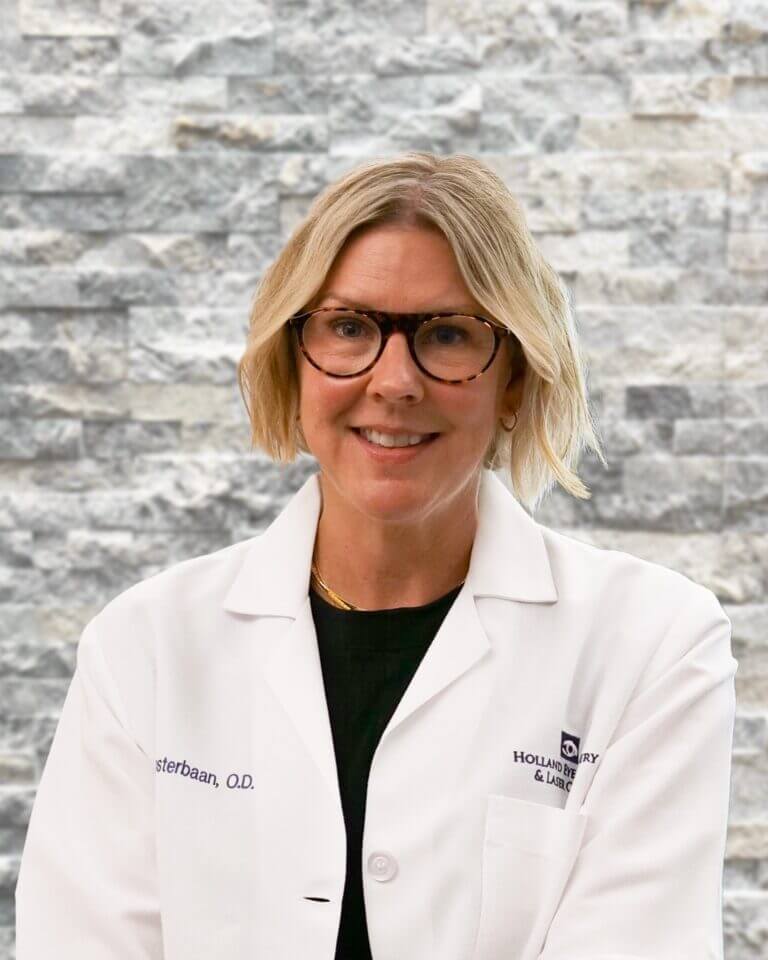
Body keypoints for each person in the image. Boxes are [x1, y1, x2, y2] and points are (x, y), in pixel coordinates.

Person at [15, 151, 737, 960]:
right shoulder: (143, 650)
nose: (394, 382)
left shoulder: (653, 648)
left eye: (449, 334)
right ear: (292, 358)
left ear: (513, 380)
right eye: (350, 327)